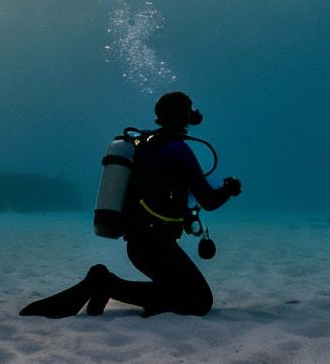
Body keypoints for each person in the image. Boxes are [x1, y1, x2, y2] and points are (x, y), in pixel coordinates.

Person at [20, 90, 241, 318]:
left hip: (142, 243)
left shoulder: (150, 144)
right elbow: (209, 201)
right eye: (189, 109)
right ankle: (103, 283)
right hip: (154, 245)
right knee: (199, 301)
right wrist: (230, 188)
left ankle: (110, 286)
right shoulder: (178, 150)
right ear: (185, 115)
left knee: (178, 290)